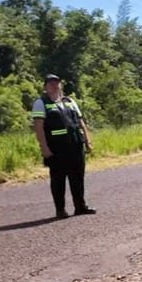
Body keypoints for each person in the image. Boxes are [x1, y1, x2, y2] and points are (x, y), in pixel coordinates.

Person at [31, 74, 96, 219]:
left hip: (75, 145)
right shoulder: (41, 103)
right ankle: (60, 210)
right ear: (45, 87)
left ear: (60, 85)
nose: (54, 85)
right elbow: (39, 127)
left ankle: (80, 206)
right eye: (50, 83)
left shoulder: (70, 101)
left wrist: (87, 141)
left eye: (56, 83)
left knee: (78, 178)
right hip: (56, 148)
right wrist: (44, 148)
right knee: (58, 179)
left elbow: (81, 122)